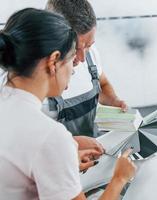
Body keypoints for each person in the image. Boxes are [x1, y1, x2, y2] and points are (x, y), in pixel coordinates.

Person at [0, 8, 136, 200]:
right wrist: (120, 178)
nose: (74, 69)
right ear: (54, 61)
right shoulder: (50, 136)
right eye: (72, 59)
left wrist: (65, 153)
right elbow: (42, 144)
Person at [43, 0, 127, 151]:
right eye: (76, 48)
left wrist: (114, 101)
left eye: (88, 45)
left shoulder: (90, 55)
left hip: (96, 151)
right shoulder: (30, 77)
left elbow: (103, 84)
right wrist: (72, 144)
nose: (82, 58)